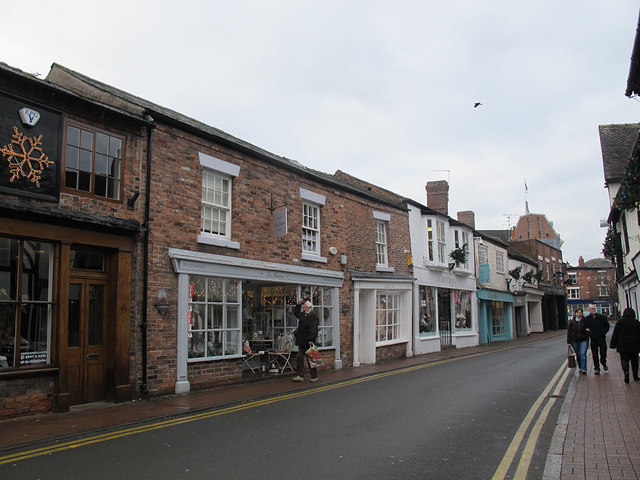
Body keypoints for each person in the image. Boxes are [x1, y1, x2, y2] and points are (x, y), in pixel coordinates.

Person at [609, 307, 640, 384]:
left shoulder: (620, 322)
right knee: (634, 361)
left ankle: (626, 371)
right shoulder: (636, 322)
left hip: (623, 344)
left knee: (624, 359)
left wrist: (613, 344)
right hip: (634, 344)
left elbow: (615, 333)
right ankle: (635, 376)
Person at [292, 297, 319, 382]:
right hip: (302, 341)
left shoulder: (313, 317)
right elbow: (296, 313)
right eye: (303, 308)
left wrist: (311, 339)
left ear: (310, 308)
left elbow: (314, 330)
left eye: (305, 308)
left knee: (311, 360)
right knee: (299, 358)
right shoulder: (303, 315)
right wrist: (299, 304)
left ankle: (314, 376)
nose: (303, 309)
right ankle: (300, 376)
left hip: (309, 341)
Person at [584, 304, 610, 374]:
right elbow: (585, 328)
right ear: (589, 310)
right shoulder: (587, 319)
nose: (594, 310)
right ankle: (597, 368)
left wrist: (603, 333)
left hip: (601, 338)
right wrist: (589, 333)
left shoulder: (601, 317)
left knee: (603, 353)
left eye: (594, 308)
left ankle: (603, 363)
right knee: (594, 355)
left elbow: (607, 326)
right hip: (593, 339)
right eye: (592, 309)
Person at [567, 308, 589, 374]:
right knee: (578, 355)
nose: (579, 314)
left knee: (583, 354)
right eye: (578, 312)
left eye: (580, 312)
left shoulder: (585, 321)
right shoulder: (572, 322)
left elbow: (588, 329)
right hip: (574, 341)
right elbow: (569, 332)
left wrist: (587, 333)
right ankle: (580, 366)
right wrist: (568, 342)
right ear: (575, 313)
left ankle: (584, 368)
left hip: (584, 340)